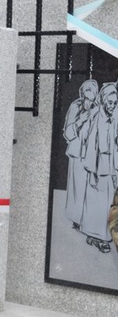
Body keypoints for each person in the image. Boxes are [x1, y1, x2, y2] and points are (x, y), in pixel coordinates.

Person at [81, 83, 118, 253]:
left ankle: (102, 235)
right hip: (98, 168)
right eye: (109, 103)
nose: (112, 106)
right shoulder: (98, 119)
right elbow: (92, 147)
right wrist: (93, 171)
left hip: (110, 168)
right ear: (103, 101)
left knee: (107, 202)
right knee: (97, 201)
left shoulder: (113, 119)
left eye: (114, 103)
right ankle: (96, 236)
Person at [63, 79, 98, 229]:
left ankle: (88, 219)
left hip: (91, 153)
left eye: (91, 99)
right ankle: (76, 218)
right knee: (77, 185)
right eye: (86, 98)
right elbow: (67, 133)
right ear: (82, 96)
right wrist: (79, 121)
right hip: (77, 153)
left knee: (90, 187)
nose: (87, 102)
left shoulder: (97, 110)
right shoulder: (75, 106)